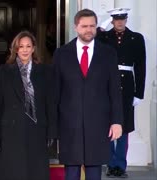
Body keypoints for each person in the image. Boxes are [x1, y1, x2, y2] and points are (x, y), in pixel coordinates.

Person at [51, 9, 123, 180]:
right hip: (69, 124)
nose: (88, 30)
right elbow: (55, 93)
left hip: (98, 123)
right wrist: (53, 127)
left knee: (93, 171)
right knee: (72, 171)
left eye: (92, 26)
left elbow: (114, 90)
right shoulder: (61, 54)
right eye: (84, 26)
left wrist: (117, 121)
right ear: (76, 27)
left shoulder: (108, 54)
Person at [0, 31, 56, 180]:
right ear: (15, 49)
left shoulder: (45, 71)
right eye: (21, 46)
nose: (25, 50)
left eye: (28, 46)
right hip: (10, 131)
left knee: (35, 171)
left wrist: (52, 131)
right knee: (12, 171)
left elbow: (50, 103)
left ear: (33, 49)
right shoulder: (4, 71)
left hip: (37, 129)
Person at [97, 8, 146, 178]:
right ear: (111, 20)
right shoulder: (104, 37)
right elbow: (92, 39)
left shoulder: (136, 38)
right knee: (109, 125)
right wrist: (101, 28)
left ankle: (120, 165)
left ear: (126, 20)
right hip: (107, 85)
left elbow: (140, 66)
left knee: (124, 127)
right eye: (116, 19)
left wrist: (139, 93)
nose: (119, 22)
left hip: (126, 86)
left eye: (122, 19)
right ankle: (110, 164)